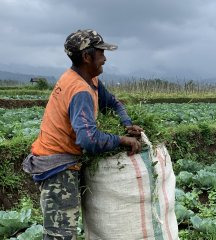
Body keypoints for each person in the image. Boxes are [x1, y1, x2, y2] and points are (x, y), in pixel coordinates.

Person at [23, 29, 143, 240]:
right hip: (58, 168)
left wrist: (127, 124)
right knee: (59, 235)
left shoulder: (88, 79)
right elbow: (89, 139)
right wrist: (122, 140)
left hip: (60, 161)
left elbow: (112, 102)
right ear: (87, 57)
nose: (105, 59)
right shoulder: (79, 90)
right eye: (101, 53)